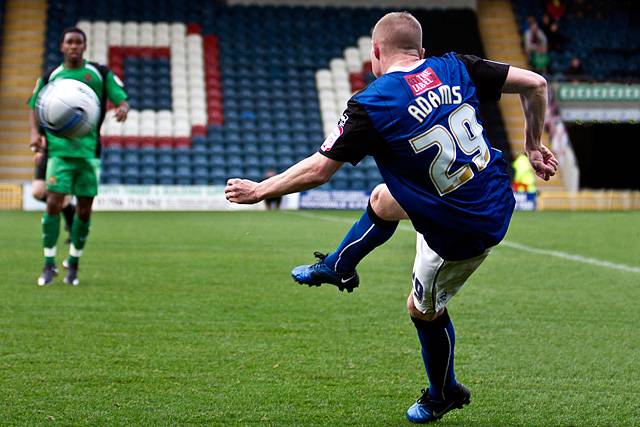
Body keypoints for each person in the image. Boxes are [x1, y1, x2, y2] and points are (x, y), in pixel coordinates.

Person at [225, 12, 557, 423]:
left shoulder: (373, 102)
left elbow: (320, 169)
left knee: (422, 311)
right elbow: (536, 84)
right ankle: (339, 266)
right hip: (491, 195)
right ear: (421, 52)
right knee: (383, 198)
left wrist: (260, 190)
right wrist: (533, 144)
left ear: (375, 53)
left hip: (460, 232)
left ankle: (443, 393)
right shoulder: (454, 65)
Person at [28, 27, 129, 286]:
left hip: (88, 153)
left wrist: (122, 107)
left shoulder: (99, 73)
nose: (73, 46)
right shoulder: (52, 76)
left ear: (84, 46)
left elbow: (120, 97)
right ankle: (49, 264)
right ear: (62, 46)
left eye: (78, 42)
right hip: (59, 152)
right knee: (51, 201)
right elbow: (34, 105)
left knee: (85, 210)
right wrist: (35, 134)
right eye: (69, 42)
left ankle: (74, 262)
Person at [31, 144, 76, 244]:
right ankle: (71, 212)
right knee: (37, 192)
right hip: (46, 153)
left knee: (64, 200)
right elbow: (40, 132)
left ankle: (72, 227)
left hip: (65, 154)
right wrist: (39, 149)